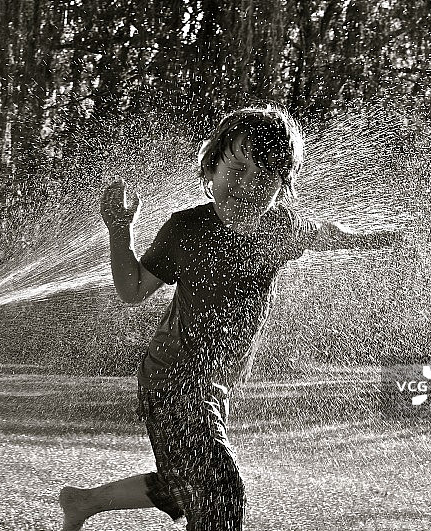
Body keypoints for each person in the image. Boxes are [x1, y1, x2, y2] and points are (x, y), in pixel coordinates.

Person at [59, 105, 400, 530]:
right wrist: (119, 231)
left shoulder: (281, 228)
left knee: (188, 482)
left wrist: (374, 240)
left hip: (216, 385)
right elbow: (133, 290)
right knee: (220, 490)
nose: (249, 186)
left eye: (267, 177)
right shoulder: (186, 230)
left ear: (283, 186)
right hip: (172, 379)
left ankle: (83, 502)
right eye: (238, 170)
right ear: (212, 167)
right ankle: (87, 502)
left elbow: (330, 234)